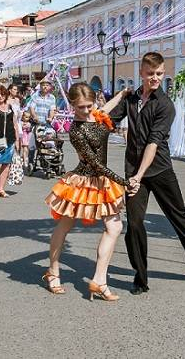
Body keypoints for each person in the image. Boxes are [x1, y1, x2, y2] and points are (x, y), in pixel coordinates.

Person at [109, 52, 185, 294]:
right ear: (141, 73)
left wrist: (138, 176)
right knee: (135, 224)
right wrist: (119, 96)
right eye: (150, 74)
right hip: (134, 171)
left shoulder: (165, 105)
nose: (155, 78)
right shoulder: (132, 99)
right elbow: (106, 121)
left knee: (179, 219)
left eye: (159, 73)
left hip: (159, 170)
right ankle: (140, 276)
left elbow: (153, 142)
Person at [43, 83, 130, 300]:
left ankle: (99, 280)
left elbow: (104, 109)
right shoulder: (75, 130)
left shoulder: (97, 115)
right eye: (81, 107)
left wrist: (121, 94)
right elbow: (95, 164)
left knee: (115, 226)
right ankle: (53, 271)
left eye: (89, 106)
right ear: (72, 105)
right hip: (84, 181)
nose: (86, 111)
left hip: (102, 181)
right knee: (65, 224)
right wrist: (123, 182)